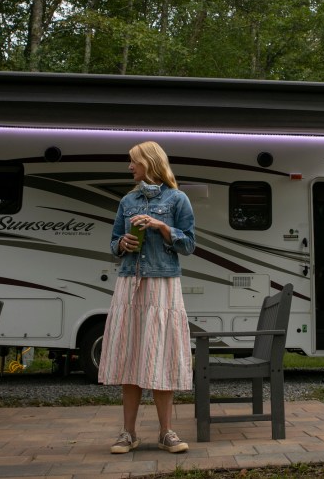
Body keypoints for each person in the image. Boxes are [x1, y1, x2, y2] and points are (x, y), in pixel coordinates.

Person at [99, 141, 196, 454]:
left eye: (133, 162)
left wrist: (160, 225)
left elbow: (189, 244)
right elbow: (114, 243)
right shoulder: (128, 201)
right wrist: (123, 243)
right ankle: (128, 433)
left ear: (149, 162)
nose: (130, 167)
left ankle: (167, 432)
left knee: (162, 357)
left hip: (163, 284)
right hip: (130, 283)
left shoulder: (177, 199)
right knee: (131, 355)